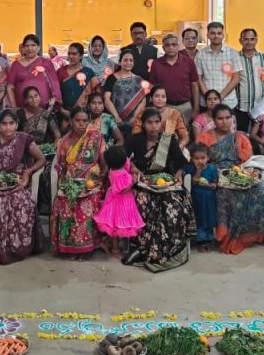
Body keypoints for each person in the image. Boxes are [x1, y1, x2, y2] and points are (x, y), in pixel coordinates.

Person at [0, 110, 47, 265]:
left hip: (17, 181)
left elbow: (42, 159)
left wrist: (28, 172)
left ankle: (17, 247)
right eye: (4, 124)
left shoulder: (24, 139)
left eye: (11, 123)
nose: (8, 127)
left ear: (16, 125)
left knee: (21, 203)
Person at [124, 108, 194, 271]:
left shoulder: (168, 140)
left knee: (173, 205)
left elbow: (183, 163)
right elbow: (122, 159)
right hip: (143, 183)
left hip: (166, 184)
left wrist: (179, 172)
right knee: (144, 202)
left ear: (161, 124)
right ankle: (143, 247)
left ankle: (168, 250)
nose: (154, 126)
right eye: (149, 123)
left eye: (157, 122)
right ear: (143, 124)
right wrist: (132, 166)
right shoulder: (134, 140)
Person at [212, 104, 264, 254]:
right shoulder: (206, 137)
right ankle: (227, 235)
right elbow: (201, 160)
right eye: (220, 118)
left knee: (261, 194)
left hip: (241, 173)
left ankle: (249, 235)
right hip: (218, 176)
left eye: (228, 118)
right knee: (226, 195)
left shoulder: (240, 137)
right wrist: (218, 172)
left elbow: (248, 160)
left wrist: (250, 171)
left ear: (232, 119)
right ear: (214, 120)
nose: (224, 122)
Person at [51, 107, 106, 259]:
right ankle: (70, 248)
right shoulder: (64, 142)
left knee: (85, 204)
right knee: (64, 203)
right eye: (77, 120)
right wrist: (65, 184)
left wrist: (99, 180)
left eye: (85, 121)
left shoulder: (96, 137)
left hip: (91, 184)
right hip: (71, 183)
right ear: (70, 121)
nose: (81, 124)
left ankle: (86, 249)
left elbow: (104, 164)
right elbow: (61, 167)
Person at [92, 146, 144, 257]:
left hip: (113, 201)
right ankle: (115, 250)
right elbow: (122, 190)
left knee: (114, 226)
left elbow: (128, 163)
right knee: (116, 227)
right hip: (121, 203)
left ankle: (111, 243)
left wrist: (132, 169)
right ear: (122, 161)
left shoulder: (113, 170)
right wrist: (133, 181)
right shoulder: (121, 175)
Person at [195, 22, 245, 130]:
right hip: (206, 103)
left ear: (223, 35)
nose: (216, 36)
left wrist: (219, 97)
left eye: (219, 33)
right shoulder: (201, 54)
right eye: (213, 33)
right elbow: (198, 78)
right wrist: (209, 98)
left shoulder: (233, 53)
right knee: (207, 135)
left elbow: (236, 78)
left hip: (228, 102)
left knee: (228, 134)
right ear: (208, 35)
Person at [149, 33, 200, 124]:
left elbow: (195, 86)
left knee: (185, 131)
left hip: (185, 107)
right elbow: (152, 87)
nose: (171, 47)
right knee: (166, 132)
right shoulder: (156, 64)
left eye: (174, 44)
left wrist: (196, 109)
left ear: (178, 46)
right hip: (165, 106)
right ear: (163, 48)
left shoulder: (189, 62)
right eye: (167, 45)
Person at [6, 34, 61, 109]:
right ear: (23, 48)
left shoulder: (46, 63)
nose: (30, 48)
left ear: (38, 47)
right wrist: (14, 108)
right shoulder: (16, 64)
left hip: (44, 109)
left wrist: (55, 100)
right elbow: (10, 87)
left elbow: (54, 83)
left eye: (33, 45)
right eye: (27, 46)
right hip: (22, 109)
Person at [236, 28, 264, 131]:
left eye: (252, 39)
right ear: (240, 40)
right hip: (241, 107)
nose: (249, 42)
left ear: (256, 40)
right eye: (246, 39)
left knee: (259, 135)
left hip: (261, 107)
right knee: (241, 135)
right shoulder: (235, 58)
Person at [103, 50, 148, 133]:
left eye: (131, 60)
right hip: (116, 121)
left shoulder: (139, 79)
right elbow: (106, 99)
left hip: (134, 122)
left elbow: (143, 100)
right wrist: (116, 116)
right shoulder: (111, 78)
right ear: (120, 62)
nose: (128, 62)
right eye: (125, 60)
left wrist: (135, 117)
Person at [184, 143, 218, 251]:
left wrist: (209, 185)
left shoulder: (212, 168)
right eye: (196, 158)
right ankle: (201, 240)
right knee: (200, 217)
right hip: (197, 199)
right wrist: (199, 171)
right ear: (192, 159)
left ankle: (209, 239)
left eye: (203, 158)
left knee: (209, 217)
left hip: (209, 199)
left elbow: (215, 184)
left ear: (208, 158)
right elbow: (193, 183)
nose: (200, 161)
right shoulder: (191, 169)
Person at [57, 43, 101, 113]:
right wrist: (62, 110)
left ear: (81, 56)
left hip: (84, 114)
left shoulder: (88, 72)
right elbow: (55, 93)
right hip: (64, 113)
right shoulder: (60, 71)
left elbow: (97, 93)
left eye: (74, 54)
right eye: (69, 54)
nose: (71, 56)